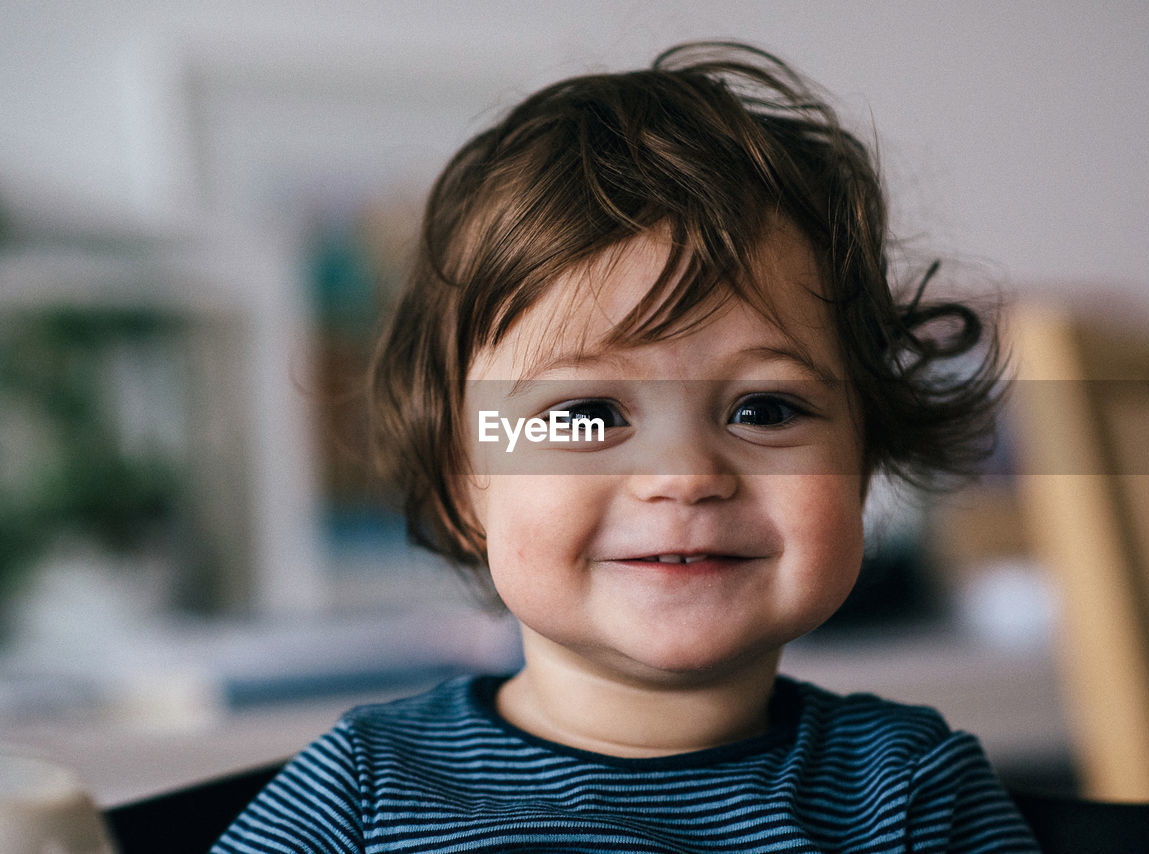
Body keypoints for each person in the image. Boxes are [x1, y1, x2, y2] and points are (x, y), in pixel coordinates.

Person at [212, 41, 1039, 852]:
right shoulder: (361, 793)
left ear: (863, 467)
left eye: (764, 410)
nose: (684, 476)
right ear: (464, 489)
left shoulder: (909, 793)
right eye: (587, 414)